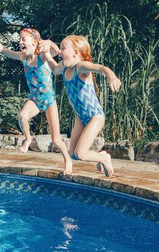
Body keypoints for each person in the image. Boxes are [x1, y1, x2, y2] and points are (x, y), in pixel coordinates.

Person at [0, 15, 73, 175]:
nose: (20, 42)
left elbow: (56, 69)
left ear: (34, 41)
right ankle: (28, 138)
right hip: (35, 100)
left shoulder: (42, 56)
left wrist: (58, 55)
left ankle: (68, 161)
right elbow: (2, 49)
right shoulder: (22, 57)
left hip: (49, 100)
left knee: (56, 139)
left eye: (23, 39)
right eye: (20, 39)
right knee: (23, 115)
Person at [43, 35, 121, 176]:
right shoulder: (65, 68)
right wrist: (46, 53)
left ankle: (104, 157)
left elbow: (101, 68)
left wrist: (112, 77)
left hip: (95, 116)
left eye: (63, 48)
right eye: (59, 48)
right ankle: (100, 155)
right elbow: (54, 69)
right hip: (81, 117)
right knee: (73, 154)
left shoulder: (81, 67)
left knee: (81, 153)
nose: (59, 52)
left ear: (76, 52)